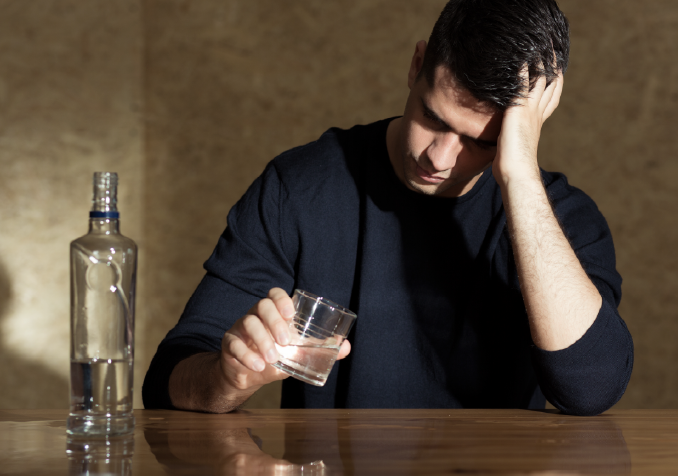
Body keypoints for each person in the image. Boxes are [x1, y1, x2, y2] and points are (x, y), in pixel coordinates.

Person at [143, 0, 633, 416]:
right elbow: (169, 376)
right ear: (417, 64)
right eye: (432, 117)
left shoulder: (560, 222)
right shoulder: (301, 188)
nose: (439, 157)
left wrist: (520, 175)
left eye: (480, 142)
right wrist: (226, 381)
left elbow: (589, 389)